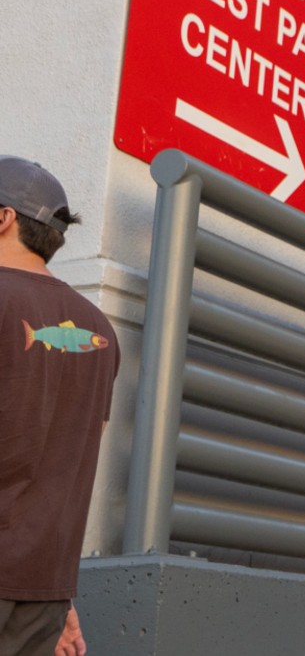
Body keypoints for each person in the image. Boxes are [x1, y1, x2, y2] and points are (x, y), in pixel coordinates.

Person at [0, 157, 118, 656]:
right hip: (43, 589)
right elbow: (64, 466)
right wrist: (63, 602)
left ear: (3, 218)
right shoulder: (101, 333)